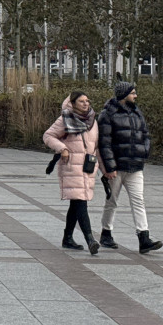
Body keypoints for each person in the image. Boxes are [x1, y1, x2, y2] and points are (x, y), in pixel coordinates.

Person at [98, 82, 163, 254]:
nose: (135, 96)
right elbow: (104, 143)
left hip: (135, 166)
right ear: (123, 95)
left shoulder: (136, 112)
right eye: (132, 93)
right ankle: (106, 233)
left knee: (138, 201)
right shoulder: (107, 114)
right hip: (117, 167)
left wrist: (144, 152)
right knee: (112, 201)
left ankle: (144, 237)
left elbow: (146, 134)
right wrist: (109, 167)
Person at [44, 90, 100, 255]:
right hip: (71, 167)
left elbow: (97, 146)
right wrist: (62, 148)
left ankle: (67, 237)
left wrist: (105, 169)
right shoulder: (65, 119)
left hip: (88, 167)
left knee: (76, 204)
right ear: (72, 103)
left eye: (87, 101)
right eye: (81, 101)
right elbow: (48, 136)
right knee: (80, 202)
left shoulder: (92, 121)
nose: (85, 104)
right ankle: (90, 239)